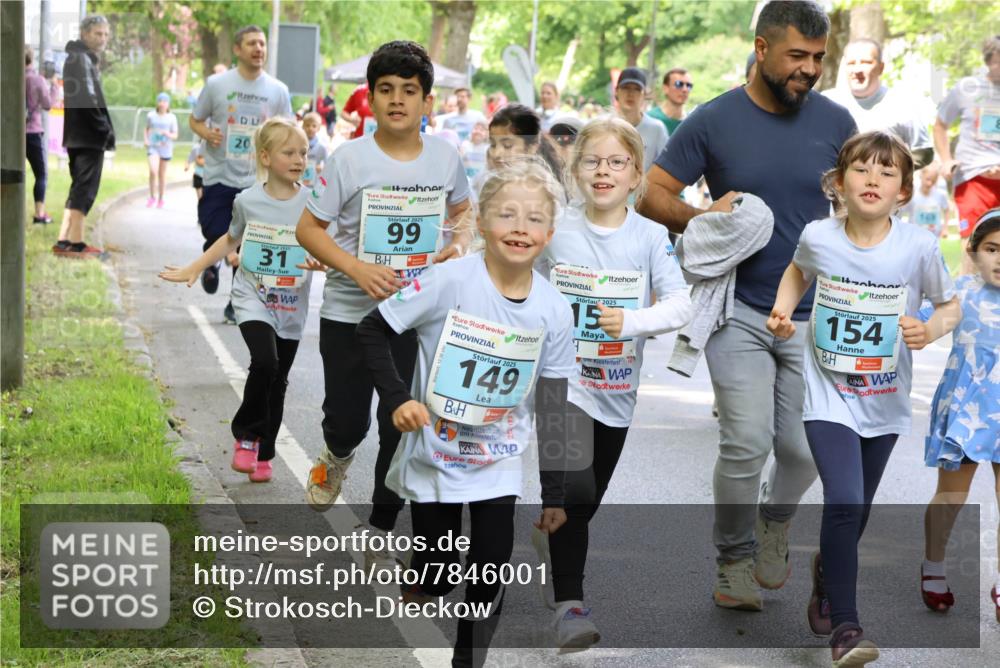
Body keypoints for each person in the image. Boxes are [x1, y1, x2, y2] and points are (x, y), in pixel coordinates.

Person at [636, 0, 857, 612]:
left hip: (815, 315)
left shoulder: (837, 121)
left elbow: (864, 202)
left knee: (803, 450)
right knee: (746, 441)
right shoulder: (714, 119)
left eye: (818, 58)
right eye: (796, 55)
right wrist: (703, 218)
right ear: (761, 49)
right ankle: (733, 560)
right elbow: (650, 194)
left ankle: (774, 520)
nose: (809, 68)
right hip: (737, 310)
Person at [354, 161, 573, 667]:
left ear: (549, 233)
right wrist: (398, 399)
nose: (520, 228)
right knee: (439, 572)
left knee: (490, 568)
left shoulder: (554, 309)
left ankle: (466, 662)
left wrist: (555, 493)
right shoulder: (448, 280)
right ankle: (424, 579)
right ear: (481, 219)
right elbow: (372, 328)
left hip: (499, 458)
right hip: (437, 453)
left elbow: (555, 402)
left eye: (535, 218)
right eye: (507, 214)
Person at [767, 130, 958, 666]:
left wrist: (929, 329)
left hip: (885, 398)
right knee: (845, 499)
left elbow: (949, 306)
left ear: (903, 191)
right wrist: (784, 309)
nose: (873, 178)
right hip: (828, 394)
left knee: (858, 508)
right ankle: (846, 628)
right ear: (839, 182)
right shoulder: (819, 236)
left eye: (887, 172)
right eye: (861, 169)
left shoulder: (918, 246)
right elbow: (798, 270)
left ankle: (827, 572)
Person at [295, 41, 473, 566]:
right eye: (386, 90)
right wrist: (356, 268)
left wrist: (458, 245)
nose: (398, 100)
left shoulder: (445, 157)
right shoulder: (349, 159)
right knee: (347, 421)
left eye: (409, 91)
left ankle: (380, 525)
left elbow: (465, 213)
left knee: (401, 422)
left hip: (413, 318)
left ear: (427, 101)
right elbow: (309, 229)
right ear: (369, 99)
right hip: (350, 313)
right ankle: (336, 454)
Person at [535, 119, 693, 650]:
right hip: (559, 385)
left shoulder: (649, 236)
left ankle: (554, 537)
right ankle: (570, 607)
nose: (603, 171)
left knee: (586, 498)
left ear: (636, 175)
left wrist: (632, 321)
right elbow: (514, 270)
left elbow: (680, 304)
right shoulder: (556, 227)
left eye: (617, 162)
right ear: (575, 170)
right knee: (575, 489)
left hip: (616, 391)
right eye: (592, 160)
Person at [160, 118, 321, 483]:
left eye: (303, 153)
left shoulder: (312, 203)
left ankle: (264, 453)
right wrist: (196, 266)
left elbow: (326, 244)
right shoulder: (247, 201)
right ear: (265, 156)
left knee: (278, 380)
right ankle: (246, 435)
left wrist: (324, 261)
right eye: (289, 152)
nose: (299, 159)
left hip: (291, 305)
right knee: (265, 362)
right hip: (253, 297)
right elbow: (230, 240)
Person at [920, 208, 1000, 624]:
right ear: (973, 251)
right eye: (992, 249)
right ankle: (933, 565)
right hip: (967, 409)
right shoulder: (961, 292)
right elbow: (923, 319)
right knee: (951, 496)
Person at [190, 24, 292, 323]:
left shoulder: (278, 90)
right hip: (219, 173)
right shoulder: (217, 84)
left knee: (248, 242)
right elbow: (195, 120)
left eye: (262, 43)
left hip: (256, 179)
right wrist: (206, 133)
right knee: (215, 229)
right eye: (251, 43)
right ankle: (212, 258)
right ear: (237, 49)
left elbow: (287, 132)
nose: (258, 48)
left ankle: (237, 301)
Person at [935, 35, 1000, 274]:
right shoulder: (966, 88)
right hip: (973, 178)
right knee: (973, 244)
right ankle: (967, 292)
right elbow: (940, 125)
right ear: (989, 60)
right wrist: (946, 160)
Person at [53, 14, 114, 257]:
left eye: (106, 34)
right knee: (84, 189)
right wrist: (104, 129)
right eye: (98, 33)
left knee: (78, 186)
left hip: (79, 134)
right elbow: (89, 99)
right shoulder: (80, 59)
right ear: (85, 33)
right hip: (88, 135)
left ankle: (64, 240)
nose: (103, 38)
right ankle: (76, 243)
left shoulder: (79, 57)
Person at [823, 39, 933, 169]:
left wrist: (891, 171)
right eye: (851, 63)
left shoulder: (901, 104)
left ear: (881, 68)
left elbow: (923, 151)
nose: (857, 70)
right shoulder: (827, 102)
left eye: (866, 62)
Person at [613, 67, 667, 174]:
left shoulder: (657, 128)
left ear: (644, 94)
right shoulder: (603, 125)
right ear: (617, 91)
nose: (630, 94)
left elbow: (665, 167)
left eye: (637, 89)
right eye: (626, 88)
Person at [25, 45, 52, 225]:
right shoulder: (37, 79)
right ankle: (39, 214)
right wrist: (54, 86)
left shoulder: (10, 77)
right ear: (32, 58)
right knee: (41, 175)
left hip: (12, 134)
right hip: (33, 133)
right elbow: (48, 105)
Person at [145, 92, 179, 208]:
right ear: (157, 103)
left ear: (168, 104)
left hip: (166, 148)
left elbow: (175, 135)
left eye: (164, 101)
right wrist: (146, 139)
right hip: (153, 147)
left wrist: (167, 133)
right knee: (153, 170)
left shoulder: (172, 117)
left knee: (161, 174)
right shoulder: (151, 115)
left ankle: (161, 199)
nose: (162, 103)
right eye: (160, 101)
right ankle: (152, 197)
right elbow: (146, 129)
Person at [901, 162, 950, 238]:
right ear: (921, 176)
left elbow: (946, 210)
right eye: (928, 179)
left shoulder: (940, 194)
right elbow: (901, 211)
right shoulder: (912, 194)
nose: (930, 183)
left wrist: (945, 228)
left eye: (933, 181)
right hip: (915, 236)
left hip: (933, 237)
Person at [648, 68, 693, 137]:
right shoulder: (651, 118)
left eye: (689, 86)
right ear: (665, 88)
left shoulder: (691, 122)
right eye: (679, 84)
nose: (685, 89)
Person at [301, 112, 328, 188]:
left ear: (318, 128)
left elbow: (328, 164)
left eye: (314, 126)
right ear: (303, 126)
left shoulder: (322, 147)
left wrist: (322, 167)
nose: (310, 128)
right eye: (307, 125)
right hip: (300, 181)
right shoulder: (298, 144)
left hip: (315, 181)